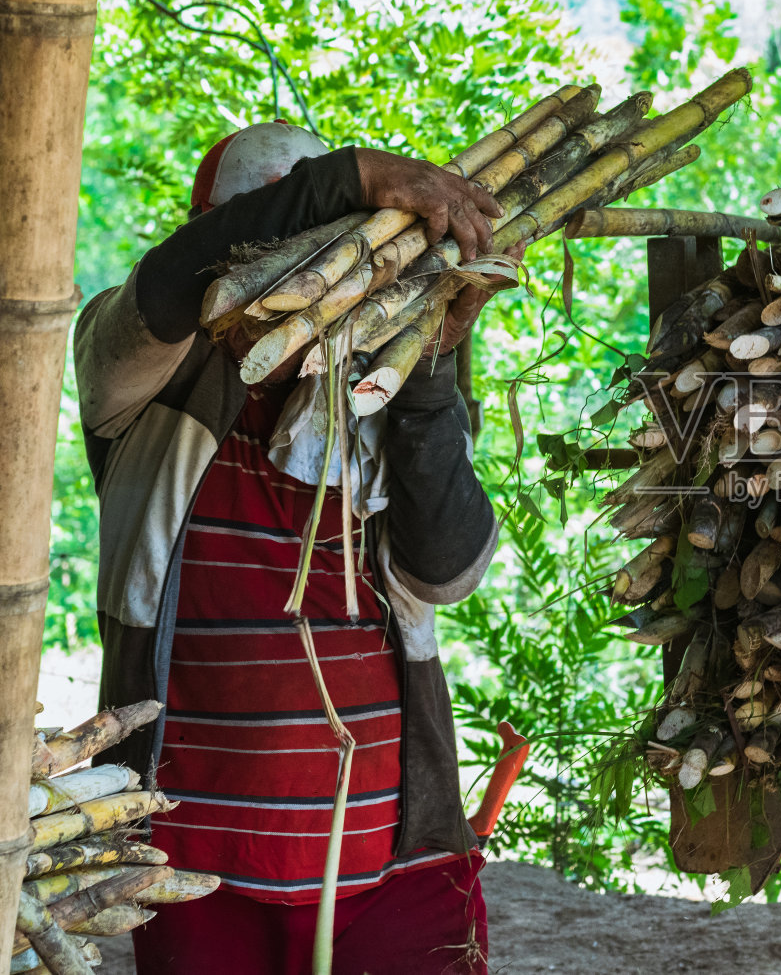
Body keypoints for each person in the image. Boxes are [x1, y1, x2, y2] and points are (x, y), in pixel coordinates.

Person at [74, 121, 508, 974]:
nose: (287, 286)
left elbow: (448, 569)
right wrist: (350, 177)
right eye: (261, 248)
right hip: (197, 870)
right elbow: (163, 287)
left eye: (315, 255)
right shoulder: (139, 374)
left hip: (393, 867)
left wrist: (429, 369)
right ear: (215, 241)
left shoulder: (379, 378)